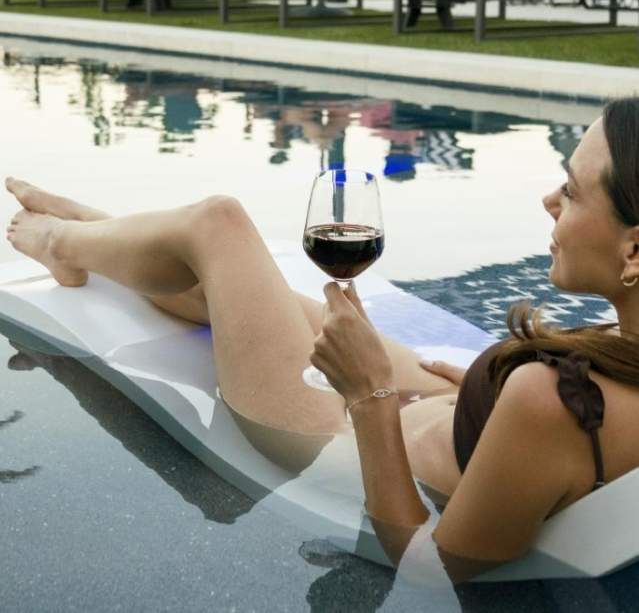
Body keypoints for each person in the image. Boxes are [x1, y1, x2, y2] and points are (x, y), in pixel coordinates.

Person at [5, 98, 639, 582]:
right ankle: (97, 229)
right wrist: (484, 385)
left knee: (218, 226)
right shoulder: (617, 354)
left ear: (633, 249)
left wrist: (369, 394)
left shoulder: (552, 403)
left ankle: (59, 241)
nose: (549, 200)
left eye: (573, 191)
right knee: (240, 284)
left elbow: (429, 570)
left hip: (338, 445)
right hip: (435, 406)